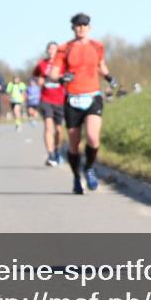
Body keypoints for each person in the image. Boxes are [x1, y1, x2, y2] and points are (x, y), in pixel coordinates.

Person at [49, 13, 114, 194]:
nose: (81, 28)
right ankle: (77, 177)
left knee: (93, 137)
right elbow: (52, 74)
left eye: (84, 25)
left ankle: (89, 168)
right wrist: (62, 77)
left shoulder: (97, 46)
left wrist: (110, 78)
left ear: (89, 27)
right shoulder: (64, 49)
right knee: (73, 144)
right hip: (73, 98)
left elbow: (101, 66)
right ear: (73, 28)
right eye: (78, 25)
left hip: (93, 96)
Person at [33, 41, 66, 166]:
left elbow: (69, 76)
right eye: (50, 49)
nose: (52, 51)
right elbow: (35, 76)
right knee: (48, 126)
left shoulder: (63, 64)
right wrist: (38, 80)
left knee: (59, 130)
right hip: (46, 99)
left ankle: (57, 150)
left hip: (60, 100)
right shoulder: (41, 64)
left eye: (54, 49)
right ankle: (50, 153)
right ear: (47, 51)